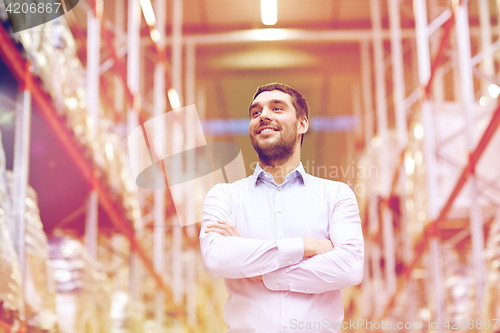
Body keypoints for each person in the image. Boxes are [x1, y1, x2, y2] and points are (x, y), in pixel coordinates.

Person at [199, 82, 364, 332]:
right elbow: (217, 257)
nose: (263, 115)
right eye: (256, 113)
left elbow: (350, 267)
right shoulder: (224, 196)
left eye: (277, 108)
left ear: (302, 124)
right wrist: (305, 246)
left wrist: (258, 269)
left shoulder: (336, 195)